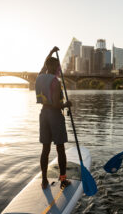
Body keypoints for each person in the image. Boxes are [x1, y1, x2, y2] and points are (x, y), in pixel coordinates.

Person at [35, 46, 72, 189]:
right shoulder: (55, 82)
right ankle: (63, 180)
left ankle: (44, 180)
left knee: (45, 149)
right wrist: (66, 104)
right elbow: (57, 104)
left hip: (43, 114)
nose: (59, 68)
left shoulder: (39, 77)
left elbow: (45, 64)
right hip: (55, 116)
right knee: (60, 148)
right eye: (58, 66)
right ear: (55, 66)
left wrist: (50, 52)